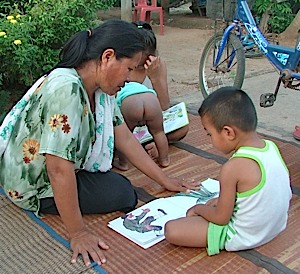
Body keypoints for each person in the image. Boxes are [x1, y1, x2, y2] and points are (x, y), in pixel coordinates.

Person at [0, 19, 199, 267]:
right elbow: (58, 169)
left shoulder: (99, 89)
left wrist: (164, 179)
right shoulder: (67, 89)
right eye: (129, 69)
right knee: (123, 193)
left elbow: (123, 136)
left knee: (121, 190)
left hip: (55, 170)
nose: (129, 79)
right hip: (34, 183)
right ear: (107, 57)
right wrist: (78, 233)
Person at [164, 87, 292, 255]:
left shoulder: (233, 167)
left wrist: (199, 209)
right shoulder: (271, 147)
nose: (210, 140)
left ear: (228, 132)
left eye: (209, 134)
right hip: (275, 226)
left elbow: (221, 218)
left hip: (244, 234)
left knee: (171, 229)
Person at [113, 21, 189, 170]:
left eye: (141, 65)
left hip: (149, 125)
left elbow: (164, 107)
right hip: (126, 125)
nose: (137, 68)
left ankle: (144, 146)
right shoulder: (122, 68)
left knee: (182, 128)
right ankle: (155, 149)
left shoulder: (159, 66)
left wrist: (154, 78)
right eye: (134, 65)